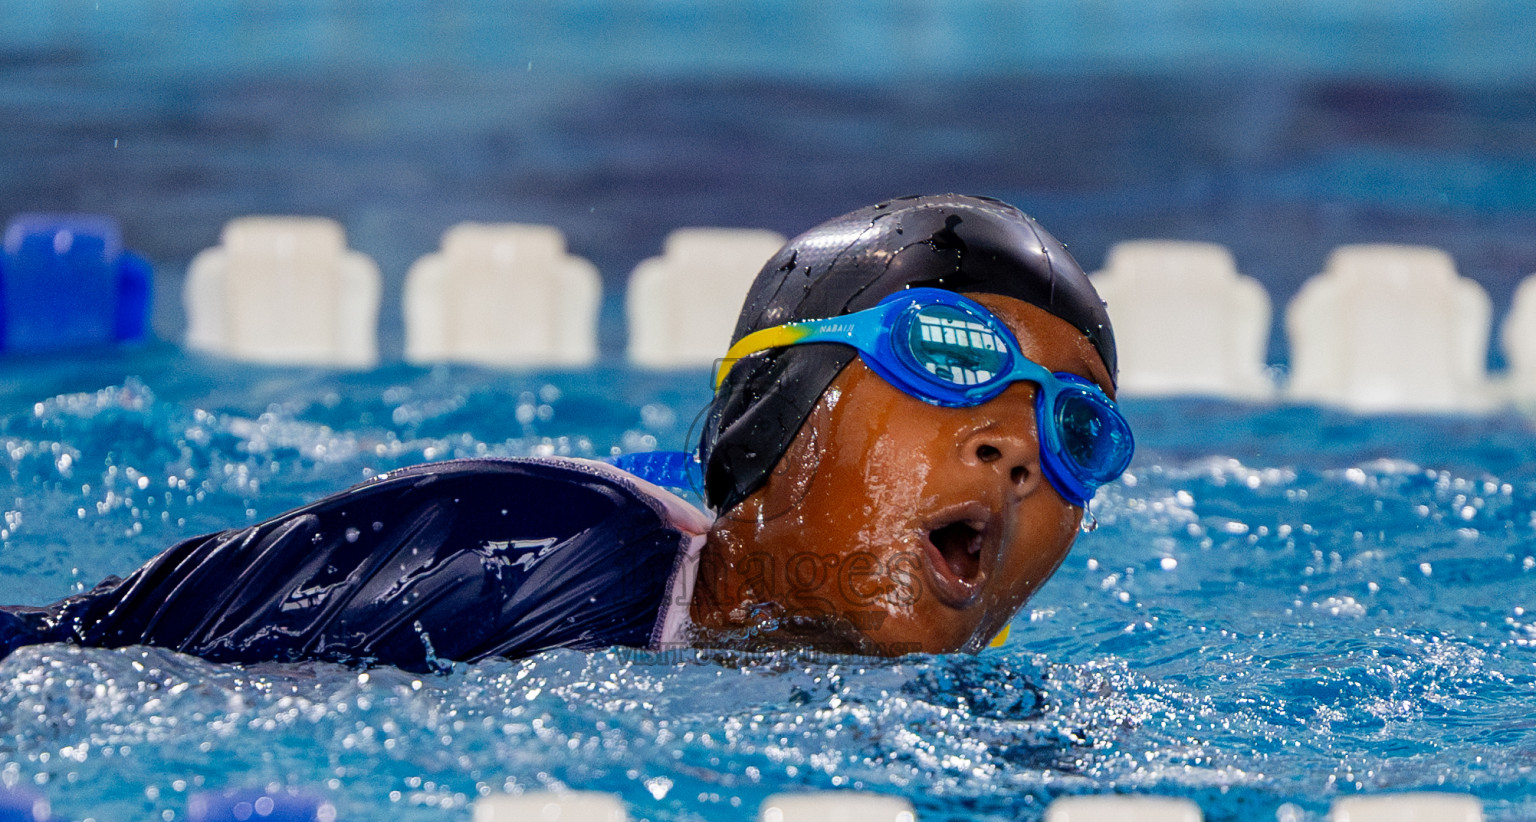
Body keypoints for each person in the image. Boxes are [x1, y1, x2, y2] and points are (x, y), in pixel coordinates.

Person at [0, 195, 1131, 671]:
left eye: (1077, 423)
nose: (1016, 445)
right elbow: (82, 659)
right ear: (777, 405)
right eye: (950, 359)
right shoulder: (546, 544)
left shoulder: (981, 730)